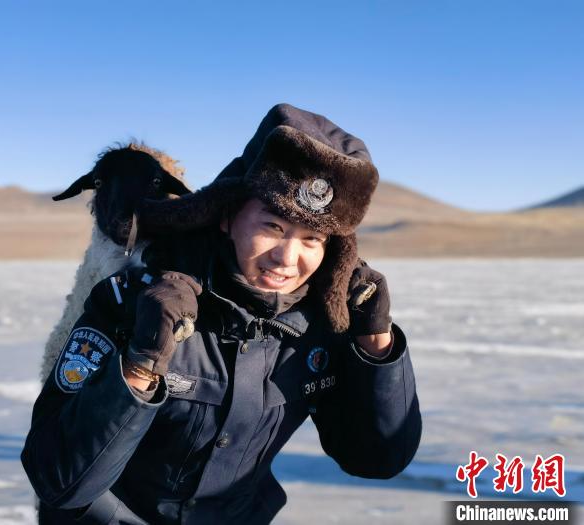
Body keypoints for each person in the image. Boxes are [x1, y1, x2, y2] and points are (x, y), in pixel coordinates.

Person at [21, 104, 422, 524]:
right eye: (273, 227)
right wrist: (140, 363)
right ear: (228, 214)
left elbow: (377, 459)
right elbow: (60, 481)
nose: (287, 258)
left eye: (312, 239)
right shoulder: (134, 301)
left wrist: (376, 345)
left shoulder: (322, 325)